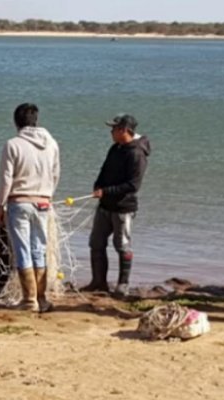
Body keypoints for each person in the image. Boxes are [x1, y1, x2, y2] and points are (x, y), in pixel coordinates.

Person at [0, 103, 60, 312]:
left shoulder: (12, 144)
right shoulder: (51, 144)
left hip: (20, 201)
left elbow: (6, 178)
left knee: (23, 249)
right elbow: (55, 173)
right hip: (43, 201)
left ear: (17, 122)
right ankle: (41, 299)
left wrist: (0, 204)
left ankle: (29, 300)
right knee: (39, 248)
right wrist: (48, 194)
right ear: (36, 120)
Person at [83, 114, 151, 297]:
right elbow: (104, 170)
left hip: (123, 208)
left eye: (113, 129)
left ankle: (123, 285)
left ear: (123, 130)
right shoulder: (115, 148)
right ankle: (98, 282)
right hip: (105, 206)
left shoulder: (137, 153)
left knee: (122, 246)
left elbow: (133, 185)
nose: (111, 132)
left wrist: (106, 191)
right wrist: (98, 185)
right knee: (96, 243)